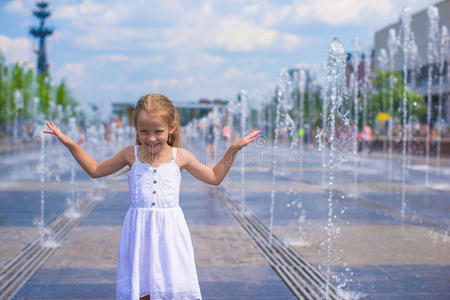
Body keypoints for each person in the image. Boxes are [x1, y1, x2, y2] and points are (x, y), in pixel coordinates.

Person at [43, 94, 260, 300]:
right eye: (144, 131)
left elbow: (214, 177)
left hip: (170, 234)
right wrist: (69, 143)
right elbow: (95, 170)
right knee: (142, 288)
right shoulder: (131, 154)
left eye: (158, 131)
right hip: (139, 234)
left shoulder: (181, 156)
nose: (151, 138)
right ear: (136, 129)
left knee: (171, 286)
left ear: (171, 128)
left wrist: (233, 149)